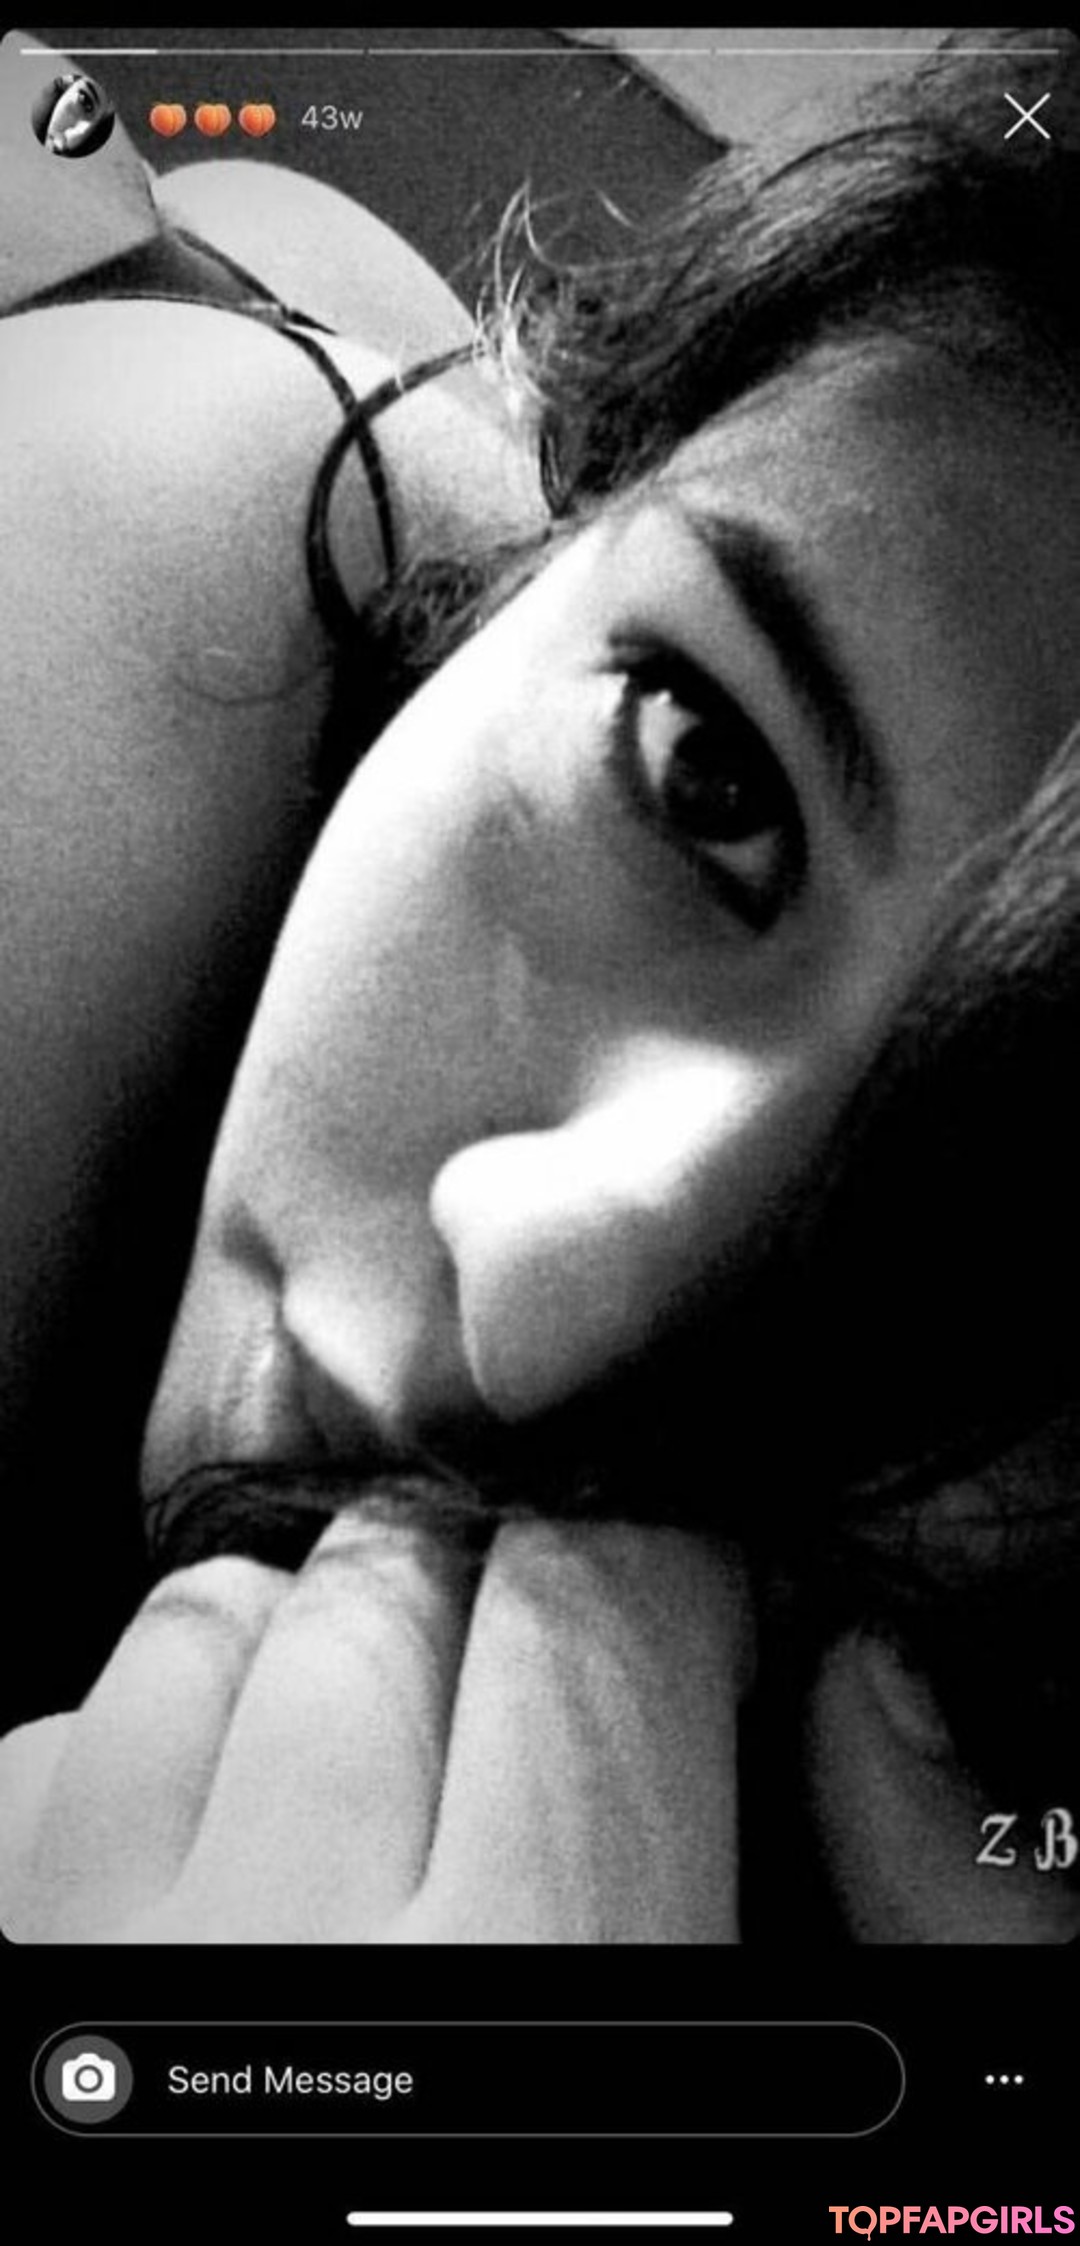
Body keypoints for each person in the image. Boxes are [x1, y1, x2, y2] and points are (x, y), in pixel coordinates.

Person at [1, 29, 1077, 1944]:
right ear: (567, 545)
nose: (544, 1279)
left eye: (1025, 1234)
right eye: (705, 770)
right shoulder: (136, 571)